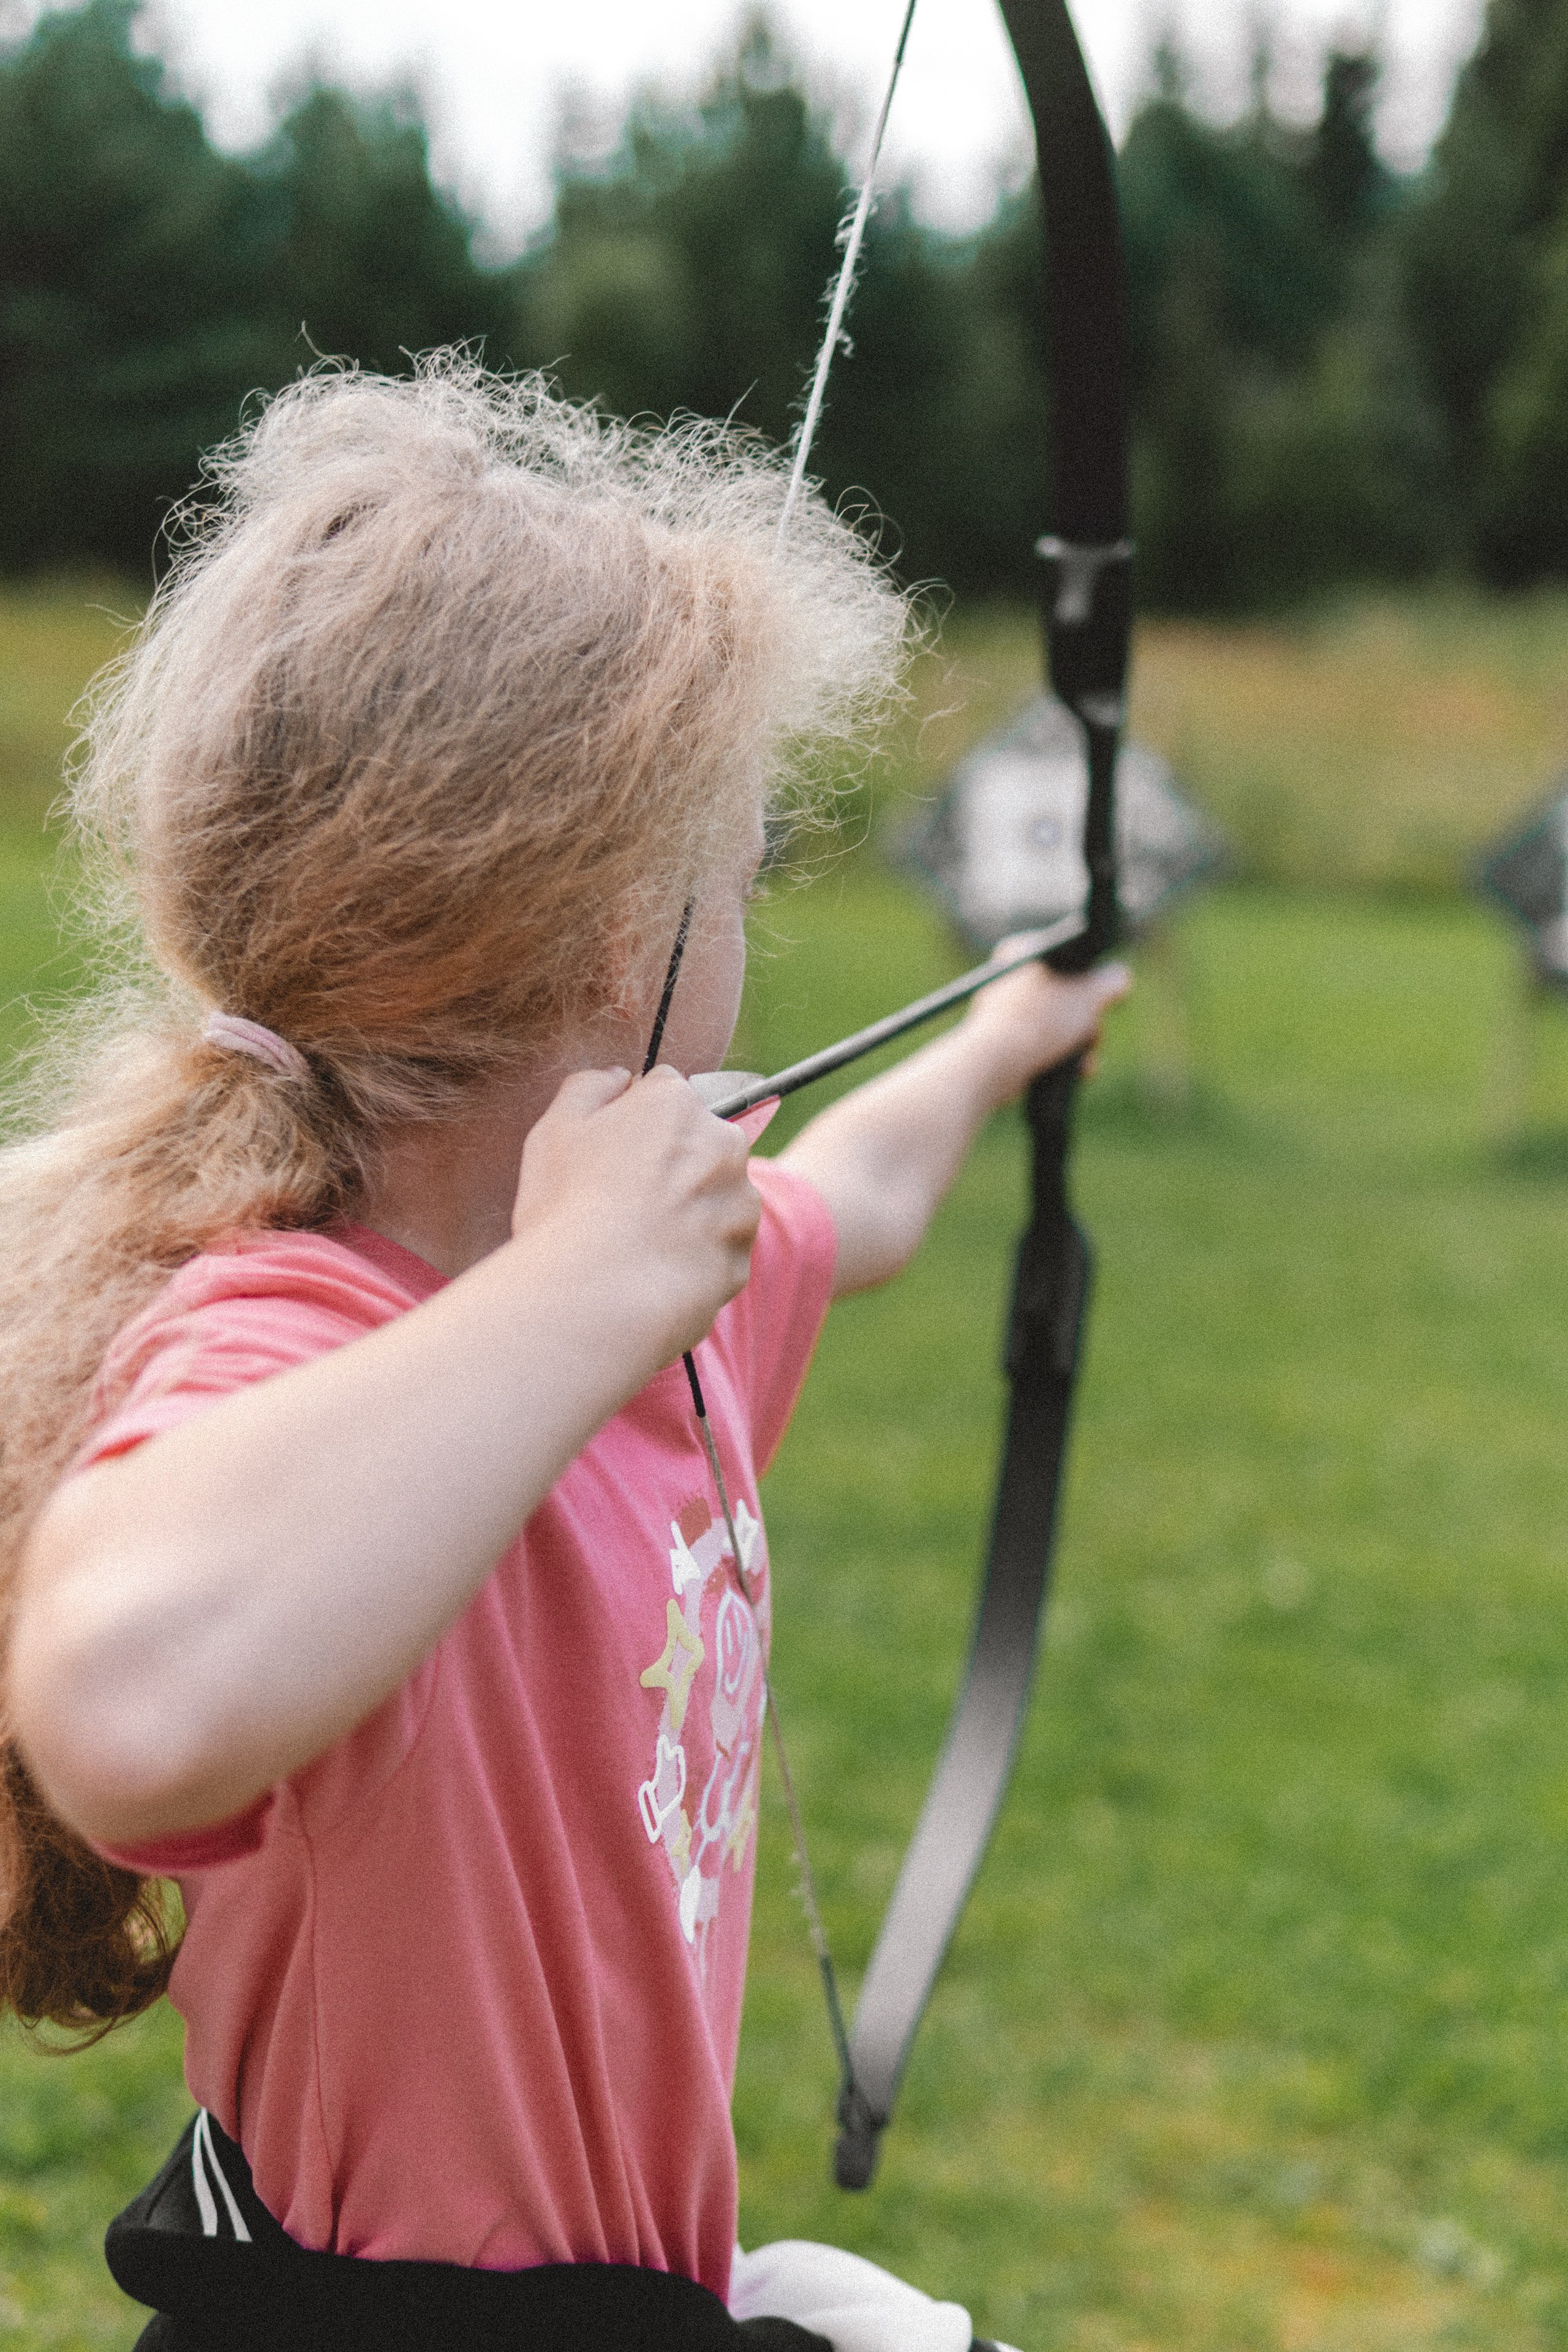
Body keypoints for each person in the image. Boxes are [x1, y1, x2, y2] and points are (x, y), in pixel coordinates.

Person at [0, 358, 1126, 2350]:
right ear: (618, 931)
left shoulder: (632, 1292)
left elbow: (845, 1206)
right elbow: (122, 1698)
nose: (744, 912)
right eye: (733, 861)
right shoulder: (310, 1325)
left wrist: (1005, 1037)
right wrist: (578, 1294)